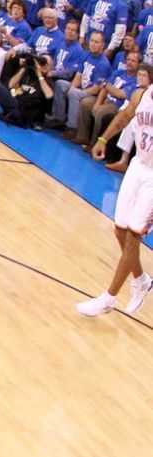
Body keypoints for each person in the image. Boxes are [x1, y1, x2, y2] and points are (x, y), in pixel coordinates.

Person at [78, 73, 153, 317]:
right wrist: (103, 138)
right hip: (138, 166)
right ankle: (141, 281)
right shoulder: (143, 94)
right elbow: (125, 116)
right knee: (120, 230)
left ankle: (108, 298)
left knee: (133, 235)